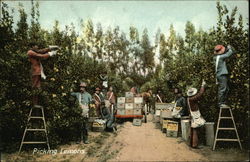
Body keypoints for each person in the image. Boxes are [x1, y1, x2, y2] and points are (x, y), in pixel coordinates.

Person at [186, 80, 206, 149]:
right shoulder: (192, 99)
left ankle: (192, 144)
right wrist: (202, 85)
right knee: (195, 130)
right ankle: (194, 144)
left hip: (192, 115)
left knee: (193, 129)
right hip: (195, 115)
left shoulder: (188, 99)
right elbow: (200, 94)